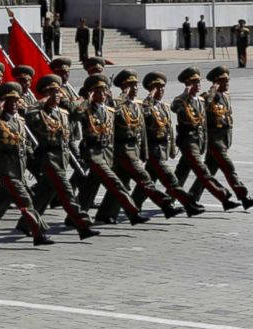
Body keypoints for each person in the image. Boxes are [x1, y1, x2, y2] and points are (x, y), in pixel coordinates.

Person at [0, 82, 54, 245]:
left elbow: (24, 145)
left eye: (16, 101)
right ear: (4, 104)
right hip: (6, 169)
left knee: (0, 202)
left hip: (18, 169)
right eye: (10, 102)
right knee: (26, 201)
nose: (14, 105)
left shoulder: (20, 120)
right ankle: (38, 234)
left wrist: (35, 161)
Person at [102, 70, 180, 221]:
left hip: (134, 149)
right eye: (131, 85)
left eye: (136, 84)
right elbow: (112, 116)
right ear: (124, 87)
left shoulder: (136, 105)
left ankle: (106, 214)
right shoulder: (115, 103)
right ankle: (165, 205)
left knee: (121, 183)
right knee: (144, 178)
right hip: (122, 149)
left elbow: (142, 130)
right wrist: (123, 96)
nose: (136, 88)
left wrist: (144, 152)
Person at [26, 75, 98, 238]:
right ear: (45, 95)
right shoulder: (39, 113)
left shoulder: (63, 113)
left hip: (63, 156)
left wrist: (85, 99)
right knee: (67, 192)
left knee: (46, 192)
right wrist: (42, 101)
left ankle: (25, 223)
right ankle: (83, 225)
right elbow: (28, 116)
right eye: (53, 92)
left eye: (58, 92)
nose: (58, 95)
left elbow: (78, 113)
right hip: (49, 157)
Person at [71, 75, 146, 225]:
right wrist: (87, 99)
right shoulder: (87, 109)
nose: (104, 94)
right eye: (99, 91)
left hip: (107, 152)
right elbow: (75, 115)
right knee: (115, 182)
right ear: (92, 93)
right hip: (93, 152)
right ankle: (133, 213)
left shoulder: (109, 110)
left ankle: (73, 217)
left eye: (105, 90)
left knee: (89, 188)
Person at [172, 67, 238, 211]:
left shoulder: (201, 100)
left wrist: (214, 89)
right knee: (203, 171)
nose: (198, 84)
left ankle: (170, 199)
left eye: (199, 82)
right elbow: (174, 107)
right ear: (188, 84)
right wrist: (185, 93)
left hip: (199, 141)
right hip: (187, 141)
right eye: (194, 82)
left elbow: (208, 100)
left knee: (181, 171)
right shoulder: (181, 100)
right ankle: (223, 197)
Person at [138, 71, 204, 215]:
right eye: (157, 87)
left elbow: (170, 130)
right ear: (150, 89)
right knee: (171, 179)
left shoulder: (164, 106)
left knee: (146, 183)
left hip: (162, 149)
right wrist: (150, 95)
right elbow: (145, 112)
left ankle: (134, 206)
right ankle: (189, 206)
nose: (161, 90)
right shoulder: (146, 105)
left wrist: (172, 148)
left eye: (162, 87)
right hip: (153, 149)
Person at [200, 67, 253, 209]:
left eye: (227, 80)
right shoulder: (207, 97)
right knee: (229, 168)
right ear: (216, 82)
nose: (227, 83)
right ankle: (244, 197)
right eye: (223, 81)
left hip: (224, 139)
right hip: (214, 140)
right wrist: (213, 89)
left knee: (207, 173)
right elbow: (205, 104)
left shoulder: (226, 96)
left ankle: (193, 197)